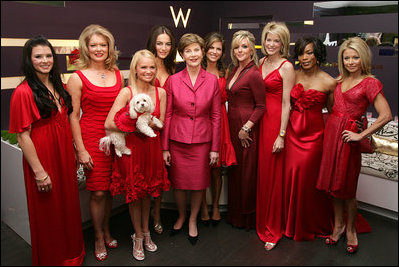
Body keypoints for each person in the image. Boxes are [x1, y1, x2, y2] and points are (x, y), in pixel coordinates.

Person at [9, 35, 85, 265]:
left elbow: (67, 121)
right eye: (38, 56)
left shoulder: (60, 86)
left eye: (48, 55)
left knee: (69, 208)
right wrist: (39, 172)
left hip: (63, 154)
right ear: (29, 60)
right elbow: (23, 135)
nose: (45, 60)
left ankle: (72, 255)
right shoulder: (23, 92)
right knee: (48, 213)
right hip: (43, 157)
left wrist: (73, 151)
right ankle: (53, 259)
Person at [316, 37, 392, 254]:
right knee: (334, 187)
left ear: (363, 58)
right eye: (346, 57)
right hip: (332, 136)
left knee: (347, 190)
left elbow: (385, 115)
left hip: (349, 141)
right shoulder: (338, 81)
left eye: (355, 57)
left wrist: (361, 135)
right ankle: (338, 227)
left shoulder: (370, 82)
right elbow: (332, 109)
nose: (350, 62)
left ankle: (350, 230)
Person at [104, 49, 170, 261]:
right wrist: (137, 123)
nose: (148, 71)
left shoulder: (161, 93)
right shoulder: (127, 92)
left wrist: (152, 125)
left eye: (152, 67)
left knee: (148, 193)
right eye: (144, 67)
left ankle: (147, 231)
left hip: (151, 148)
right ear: (135, 69)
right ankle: (138, 236)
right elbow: (109, 123)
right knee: (135, 195)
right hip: (132, 149)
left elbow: (161, 125)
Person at [67, 24, 123, 261]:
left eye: (103, 44)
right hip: (91, 139)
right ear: (86, 48)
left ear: (109, 47)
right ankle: (98, 236)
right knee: (98, 192)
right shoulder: (76, 77)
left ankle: (107, 228)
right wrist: (80, 149)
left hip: (116, 140)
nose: (99, 49)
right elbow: (72, 116)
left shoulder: (118, 73)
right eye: (94, 45)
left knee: (110, 190)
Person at [161, 33, 221, 245]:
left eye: (197, 50)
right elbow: (167, 115)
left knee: (198, 185)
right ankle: (181, 216)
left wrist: (215, 148)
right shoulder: (173, 80)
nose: (193, 54)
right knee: (178, 184)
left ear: (202, 52)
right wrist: (165, 147)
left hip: (203, 142)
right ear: (182, 55)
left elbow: (216, 116)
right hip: (177, 141)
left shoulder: (212, 81)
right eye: (188, 51)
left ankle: (193, 219)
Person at [283, 36, 336, 242]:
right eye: (301, 53)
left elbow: (333, 114)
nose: (304, 57)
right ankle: (289, 222)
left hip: (314, 137)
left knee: (306, 181)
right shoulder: (291, 75)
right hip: (290, 133)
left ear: (318, 54)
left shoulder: (329, 82)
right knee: (289, 178)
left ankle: (308, 223)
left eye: (309, 52)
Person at [256, 21, 295, 250]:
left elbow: (286, 103)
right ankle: (262, 220)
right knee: (263, 173)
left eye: (276, 40)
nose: (271, 44)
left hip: (275, 124)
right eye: (268, 39)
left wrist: (281, 135)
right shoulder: (261, 62)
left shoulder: (287, 67)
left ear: (283, 43)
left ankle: (273, 227)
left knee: (273, 174)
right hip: (261, 122)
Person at [226, 30, 265, 230]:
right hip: (232, 127)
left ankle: (247, 218)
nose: (239, 50)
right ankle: (235, 215)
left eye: (244, 46)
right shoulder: (234, 70)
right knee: (235, 171)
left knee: (247, 174)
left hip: (245, 130)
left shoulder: (254, 74)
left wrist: (246, 128)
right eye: (236, 47)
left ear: (251, 49)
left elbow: (261, 106)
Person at [200, 32, 237, 225]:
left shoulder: (226, 73)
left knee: (216, 168)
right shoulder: (197, 70)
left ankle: (214, 205)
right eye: (211, 47)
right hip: (201, 120)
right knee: (201, 168)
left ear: (222, 52)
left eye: (218, 49)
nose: (214, 52)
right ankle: (203, 206)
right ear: (204, 49)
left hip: (220, 120)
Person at [145, 25, 177, 234]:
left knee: (161, 175)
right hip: (149, 130)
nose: (163, 47)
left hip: (170, 129)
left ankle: (156, 215)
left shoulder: (173, 69)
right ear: (152, 44)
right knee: (148, 174)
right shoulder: (146, 66)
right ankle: (144, 216)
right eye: (159, 43)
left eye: (167, 43)